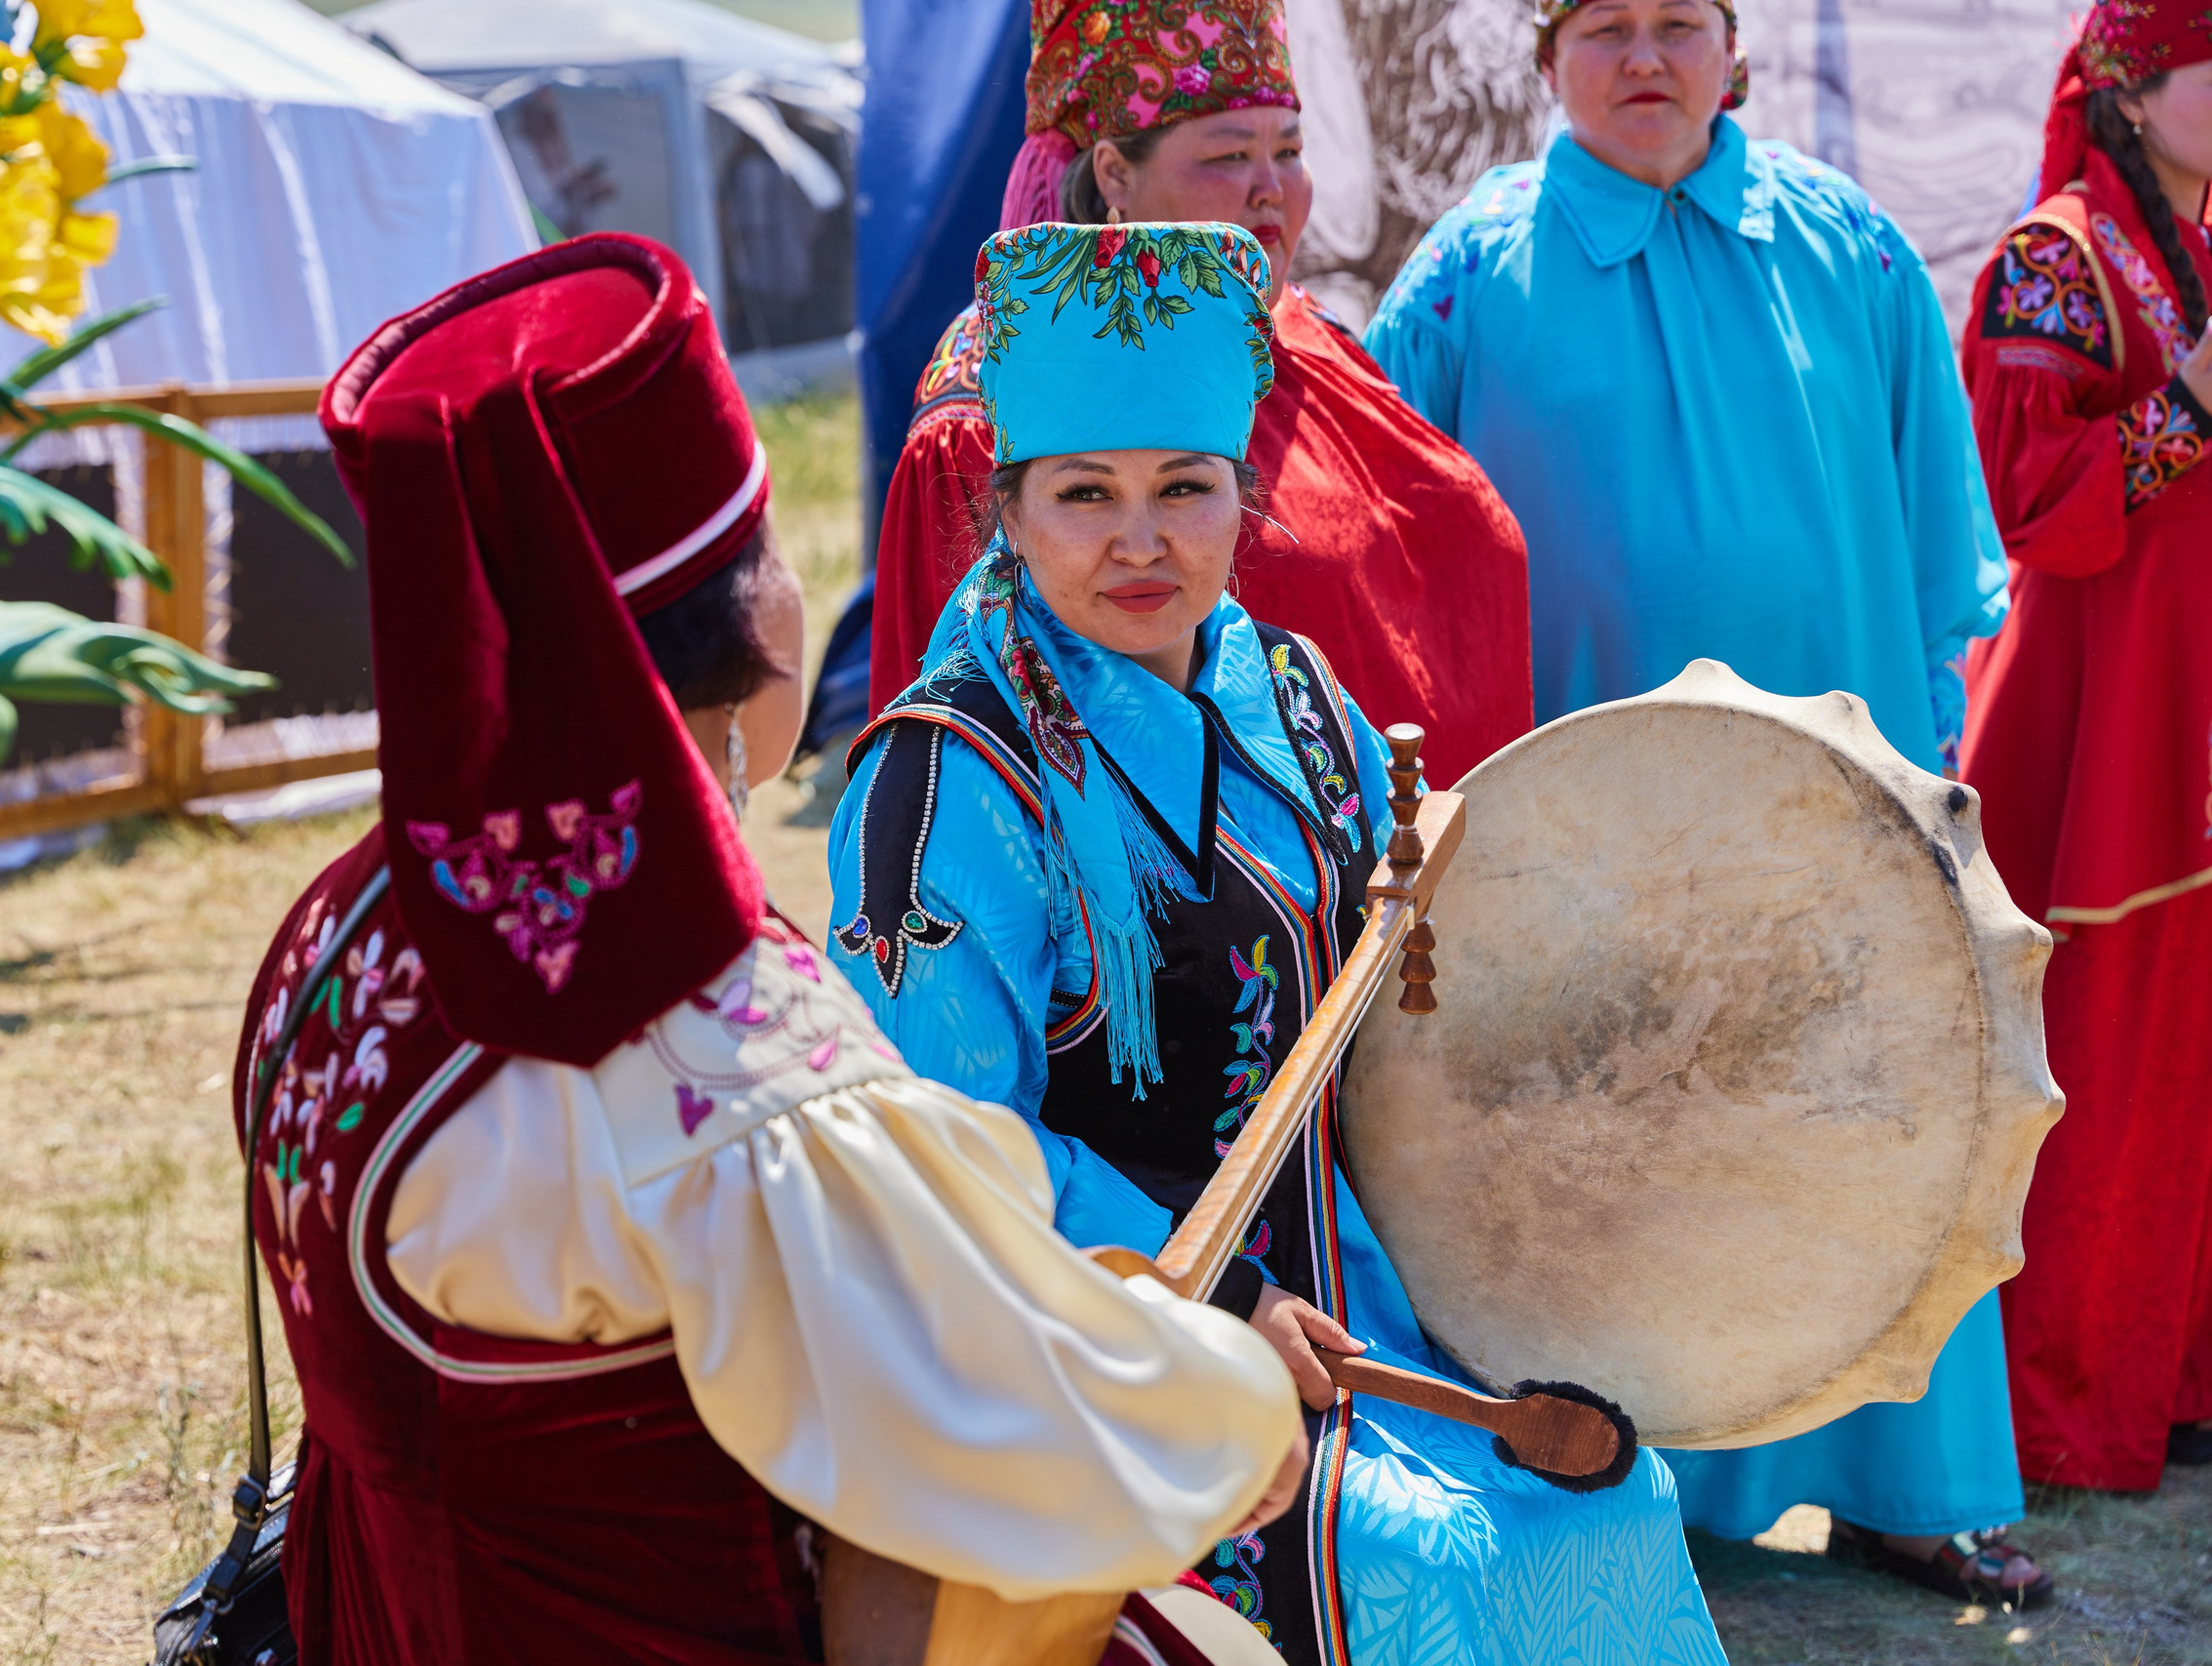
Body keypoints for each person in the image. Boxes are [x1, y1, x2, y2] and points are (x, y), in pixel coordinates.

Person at [252, 231, 1307, 1663]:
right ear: (747, 619)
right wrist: (1228, 1406)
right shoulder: (718, 1049)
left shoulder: (345, 923)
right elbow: (989, 1415)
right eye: (771, 545)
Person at [831, 218, 1727, 1666]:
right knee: (1435, 1557)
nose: (1142, 539)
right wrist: (1221, 1296)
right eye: (1084, 494)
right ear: (1008, 508)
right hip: (1095, 1336)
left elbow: (1419, 1001)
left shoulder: (1300, 701)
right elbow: (938, 1146)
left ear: (1247, 496)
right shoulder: (950, 778)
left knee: (1611, 1502)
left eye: (1188, 487)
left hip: (1357, 1303)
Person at [1358, 0, 2047, 1608]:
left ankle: (1911, 1486)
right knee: (1629, 1127)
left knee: (1875, 1101)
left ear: (1732, 48)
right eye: (1606, 27)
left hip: (1841, 802)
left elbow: (1937, 511)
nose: (1646, 59)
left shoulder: (1853, 245)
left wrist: (1931, 753)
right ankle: (1625, 1482)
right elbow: (1393, 549)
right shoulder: (1466, 275)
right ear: (1548, 62)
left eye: (1681, 21)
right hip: (1595, 829)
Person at [866, 0, 1533, 788]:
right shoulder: (1002, 403)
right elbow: (956, 732)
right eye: (1227, 156)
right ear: (1115, 172)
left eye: (1290, 150)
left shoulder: (1309, 336)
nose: (1270, 189)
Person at [1958, 0, 2212, 1493]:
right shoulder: (2053, 262)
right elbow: (2034, 497)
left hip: (2191, 702)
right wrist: (2183, 402)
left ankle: (2178, 1374)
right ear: (2131, 90)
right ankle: (2072, 1406)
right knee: (2106, 1056)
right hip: (2103, 722)